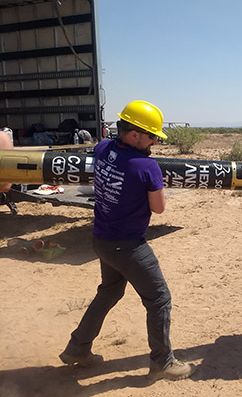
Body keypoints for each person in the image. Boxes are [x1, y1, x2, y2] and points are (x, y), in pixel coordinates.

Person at [59, 100, 193, 381]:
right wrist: (153, 183)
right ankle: (163, 361)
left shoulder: (102, 148)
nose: (155, 141)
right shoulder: (146, 166)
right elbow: (158, 208)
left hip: (102, 239)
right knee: (159, 299)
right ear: (134, 135)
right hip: (128, 245)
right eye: (152, 135)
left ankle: (77, 349)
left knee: (109, 292)